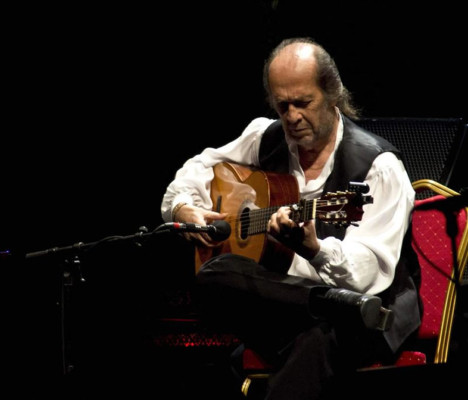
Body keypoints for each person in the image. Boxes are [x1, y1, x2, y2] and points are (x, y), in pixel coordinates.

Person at [160, 37, 422, 399]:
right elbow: (197, 168)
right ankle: (324, 303)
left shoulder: (379, 168)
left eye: (303, 103)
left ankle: (333, 307)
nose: (292, 117)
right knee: (212, 274)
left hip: (372, 315)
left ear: (333, 95)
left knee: (316, 342)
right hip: (289, 307)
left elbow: (370, 273)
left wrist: (315, 250)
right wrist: (184, 208)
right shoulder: (265, 137)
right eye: (282, 106)